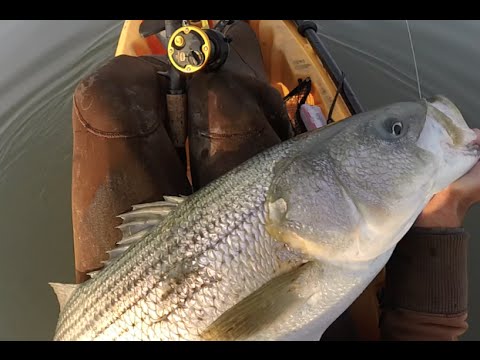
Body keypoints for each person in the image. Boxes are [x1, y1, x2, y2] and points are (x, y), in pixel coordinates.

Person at [70, 20, 479, 340]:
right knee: (231, 100)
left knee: (103, 98)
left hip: (118, 306)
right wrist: (444, 213)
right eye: (395, 131)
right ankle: (228, 41)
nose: (407, 129)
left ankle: (214, 46)